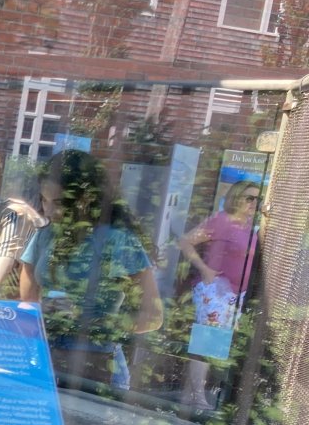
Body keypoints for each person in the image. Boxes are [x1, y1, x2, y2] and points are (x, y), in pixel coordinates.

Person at [18, 149, 163, 391]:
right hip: (45, 358)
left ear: (86, 197)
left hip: (97, 364)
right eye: (44, 200)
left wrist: (91, 321)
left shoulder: (117, 240)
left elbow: (153, 317)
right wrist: (44, 312)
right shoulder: (45, 236)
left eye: (59, 203)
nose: (48, 212)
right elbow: (27, 302)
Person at [176, 179, 261, 411]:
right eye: (249, 197)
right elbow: (185, 241)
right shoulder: (223, 220)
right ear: (236, 197)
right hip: (216, 291)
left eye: (257, 199)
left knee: (215, 345)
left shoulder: (251, 226)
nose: (254, 202)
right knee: (207, 342)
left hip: (236, 293)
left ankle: (189, 393)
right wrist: (204, 269)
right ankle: (197, 396)